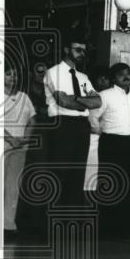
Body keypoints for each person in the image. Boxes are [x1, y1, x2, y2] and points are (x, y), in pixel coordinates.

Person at [41, 34, 101, 209]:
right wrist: (83, 101)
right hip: (62, 125)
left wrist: (75, 98)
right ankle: (50, 223)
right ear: (66, 50)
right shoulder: (53, 72)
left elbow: (98, 101)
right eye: (78, 50)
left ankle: (71, 222)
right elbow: (63, 102)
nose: (82, 53)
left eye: (84, 50)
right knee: (58, 173)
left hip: (81, 126)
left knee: (77, 174)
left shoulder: (83, 77)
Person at [89, 62, 130, 235]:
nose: (126, 76)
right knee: (111, 185)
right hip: (112, 143)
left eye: (128, 73)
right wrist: (100, 132)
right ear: (114, 78)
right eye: (121, 74)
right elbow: (93, 117)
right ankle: (109, 228)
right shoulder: (104, 95)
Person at [2, 61, 35, 240]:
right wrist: (10, 139)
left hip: (20, 147)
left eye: (14, 74)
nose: (12, 78)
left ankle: (8, 224)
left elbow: (32, 120)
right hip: (1, 147)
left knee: (13, 186)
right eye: (8, 74)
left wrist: (24, 139)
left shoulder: (24, 97)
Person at [84, 68, 112, 193]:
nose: (103, 81)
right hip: (93, 138)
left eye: (106, 78)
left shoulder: (111, 96)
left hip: (107, 139)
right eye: (100, 78)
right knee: (91, 173)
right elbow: (92, 121)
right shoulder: (90, 95)